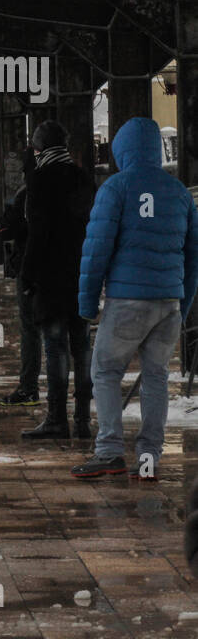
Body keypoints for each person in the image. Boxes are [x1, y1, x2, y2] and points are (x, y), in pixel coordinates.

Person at [73, 116, 198, 479]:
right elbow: (193, 257)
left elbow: (96, 250)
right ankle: (149, 458)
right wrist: (182, 302)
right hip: (168, 303)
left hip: (128, 301)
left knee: (106, 370)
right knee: (156, 376)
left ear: (121, 150)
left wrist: (86, 303)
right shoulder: (178, 193)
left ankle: (110, 449)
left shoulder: (116, 188)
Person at [19, 120, 96, 440]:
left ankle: (56, 418)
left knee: (55, 347)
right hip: (82, 274)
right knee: (82, 348)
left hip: (51, 278)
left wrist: (27, 274)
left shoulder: (40, 181)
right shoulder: (83, 179)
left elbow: (37, 234)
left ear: (40, 149)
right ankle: (82, 420)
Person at [0, 151, 40, 406]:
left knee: (31, 330)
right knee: (67, 333)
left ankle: (29, 388)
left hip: (30, 270)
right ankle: (81, 393)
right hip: (66, 270)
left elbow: (4, 228)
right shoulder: (71, 187)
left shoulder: (26, 195)